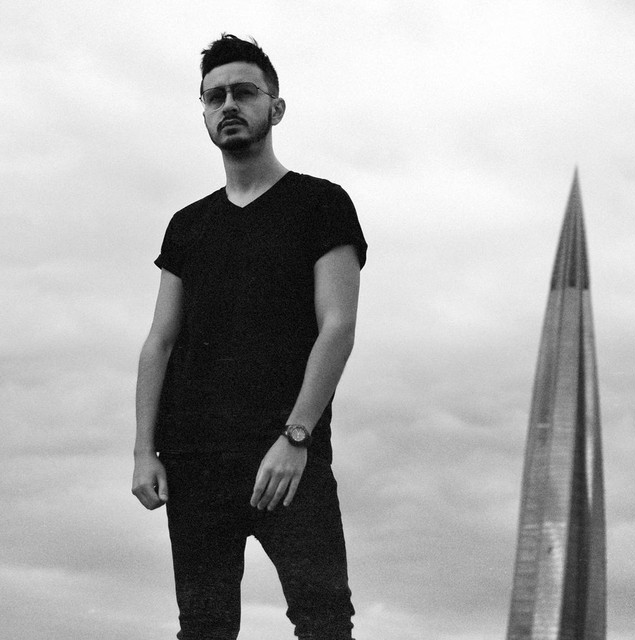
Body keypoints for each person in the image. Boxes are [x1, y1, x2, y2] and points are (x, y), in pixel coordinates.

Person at [132, 34, 367, 640]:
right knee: (204, 627)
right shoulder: (188, 225)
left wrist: (296, 436)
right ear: (205, 114)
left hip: (287, 456)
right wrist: (143, 451)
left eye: (244, 92)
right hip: (195, 461)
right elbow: (159, 343)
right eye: (215, 97)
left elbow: (338, 326)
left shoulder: (321, 204)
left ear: (276, 108)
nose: (228, 105)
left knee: (324, 622)